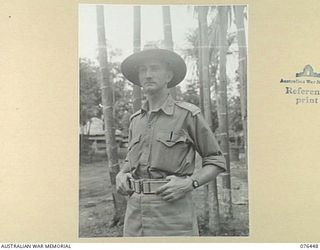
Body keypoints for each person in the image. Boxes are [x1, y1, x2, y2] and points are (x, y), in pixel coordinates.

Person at [116, 44, 226, 236]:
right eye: (143, 70)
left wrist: (190, 183)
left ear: (168, 76)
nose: (148, 74)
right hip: (134, 213)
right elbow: (131, 160)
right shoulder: (136, 120)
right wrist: (121, 174)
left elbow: (216, 161)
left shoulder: (187, 115)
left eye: (155, 68)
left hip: (172, 212)